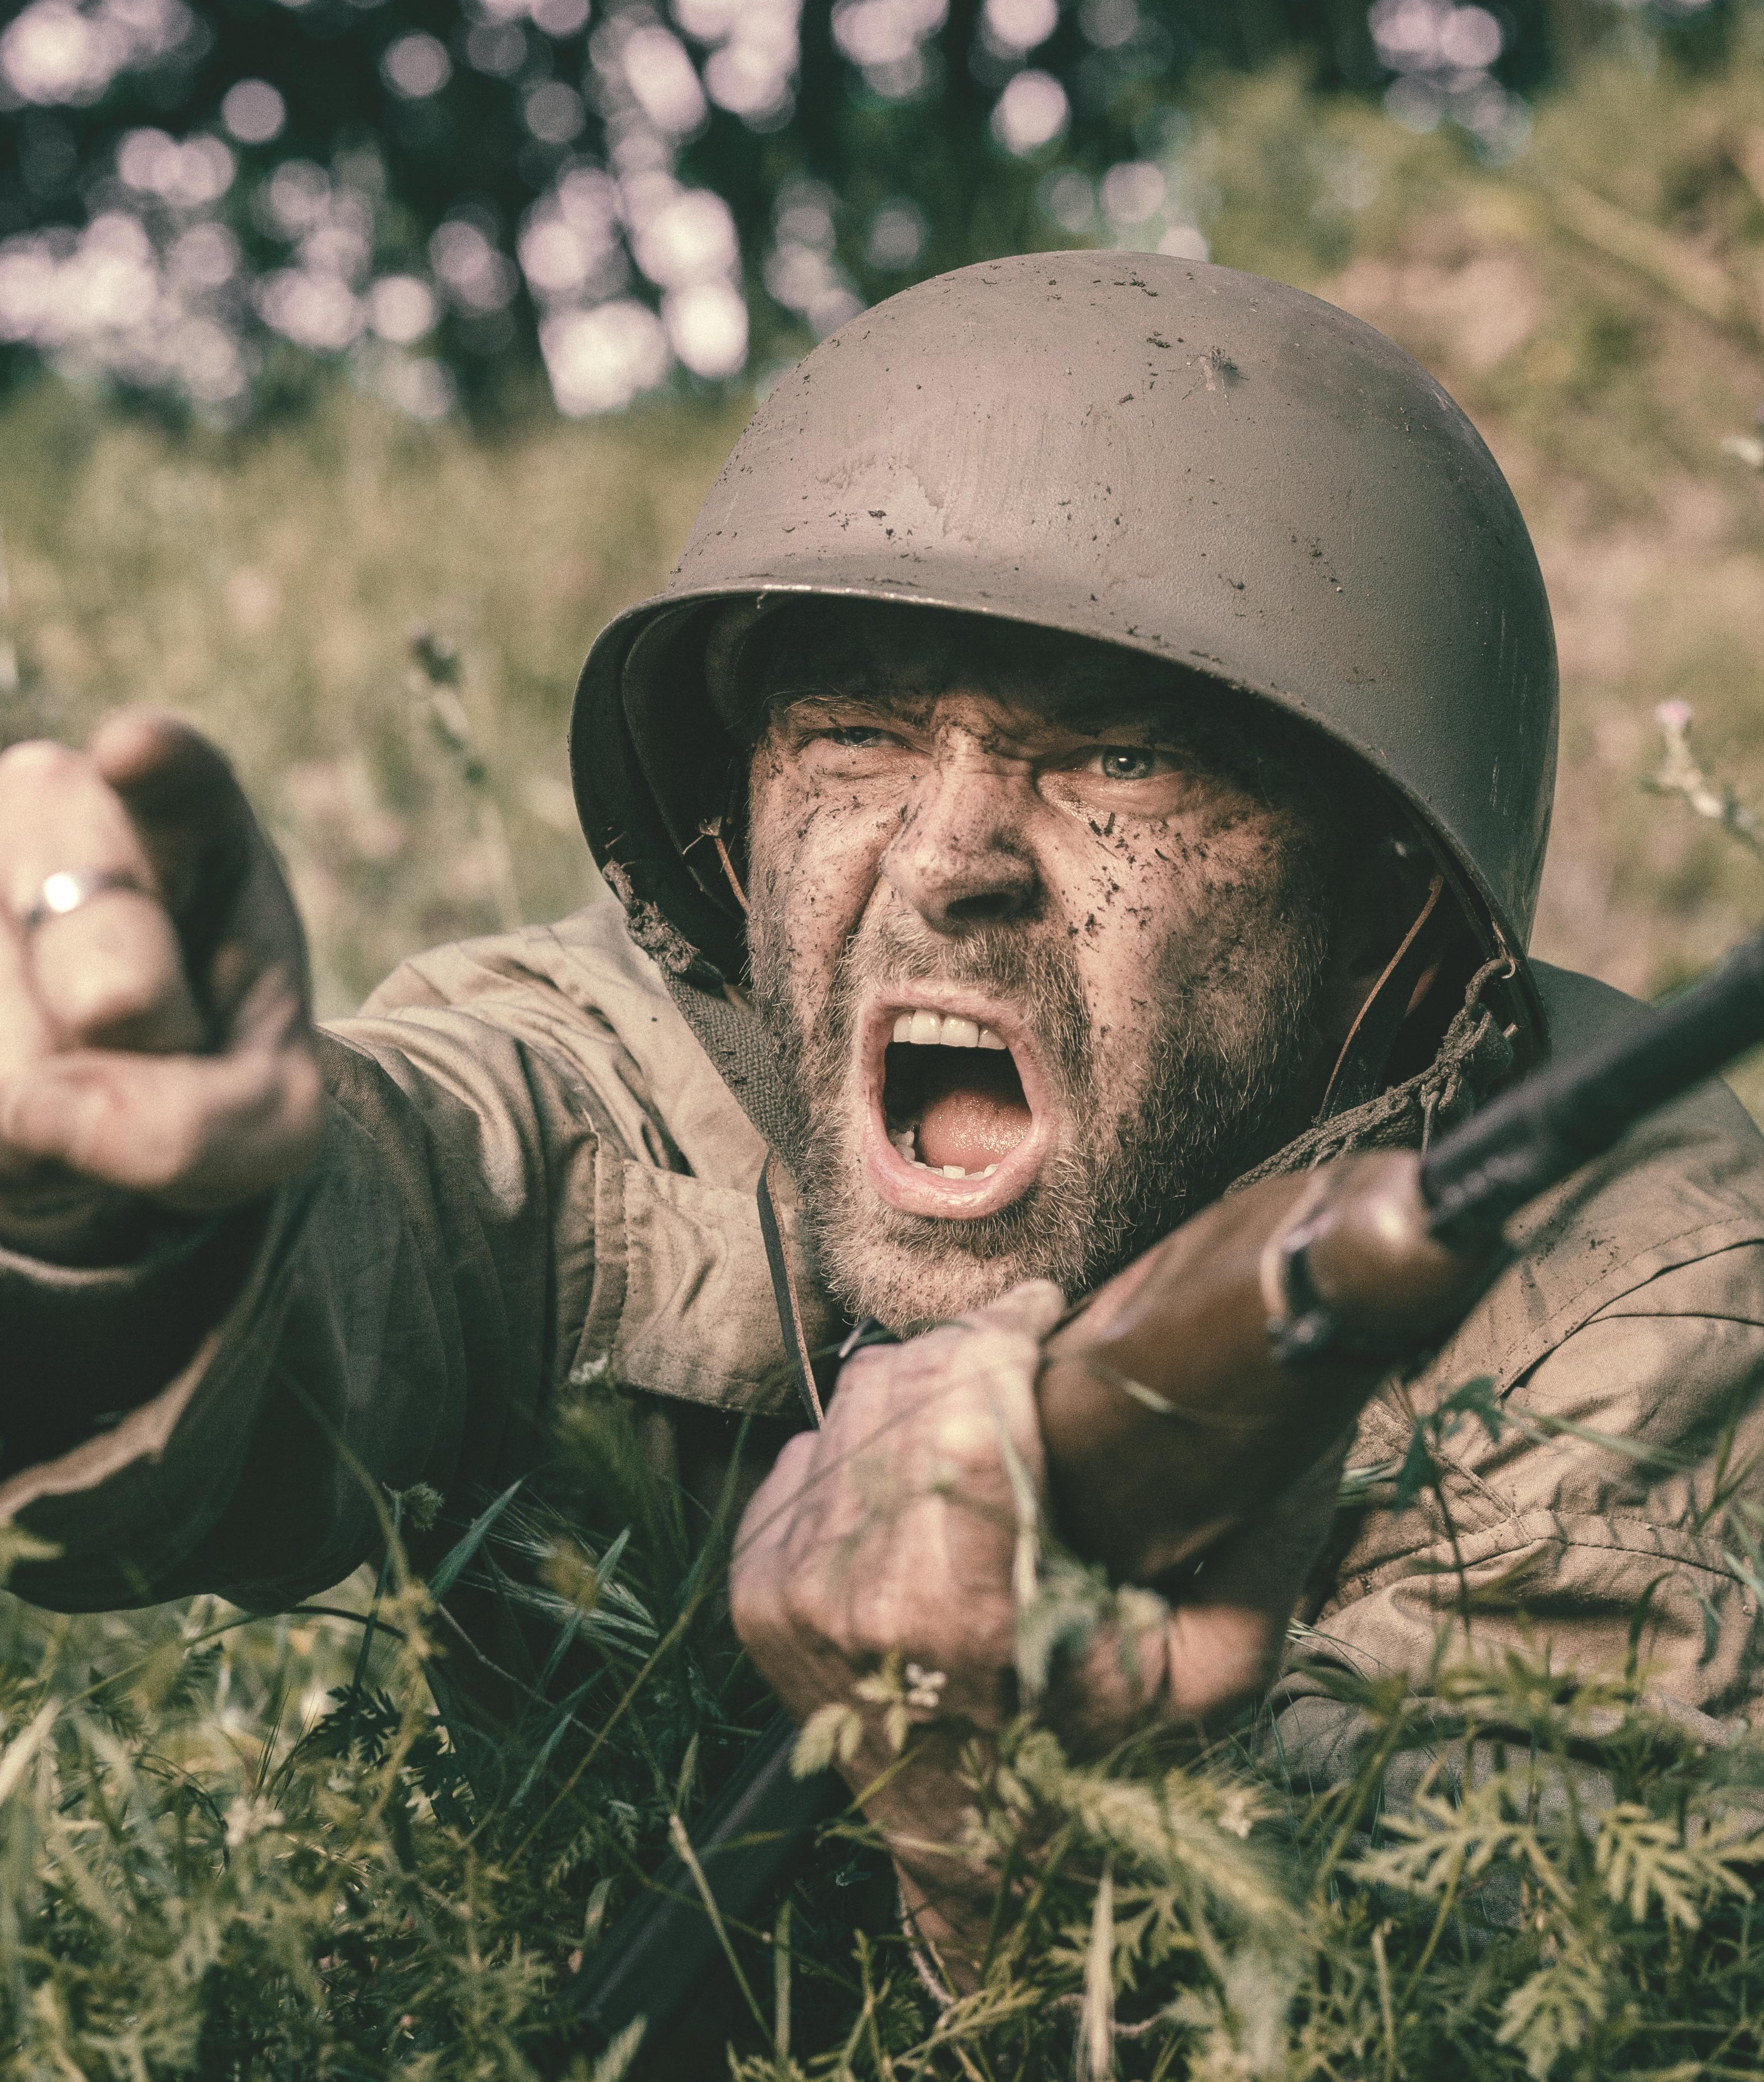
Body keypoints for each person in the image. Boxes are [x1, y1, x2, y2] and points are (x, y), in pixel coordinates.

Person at [2, 255, 1760, 1990]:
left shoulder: (1639, 1302)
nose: (942, 864)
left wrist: (1048, 1846)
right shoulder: (608, 1080)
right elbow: (359, 1234)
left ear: (1387, 912)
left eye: (1118, 761)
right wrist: (90, 1219)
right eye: (851, 733)